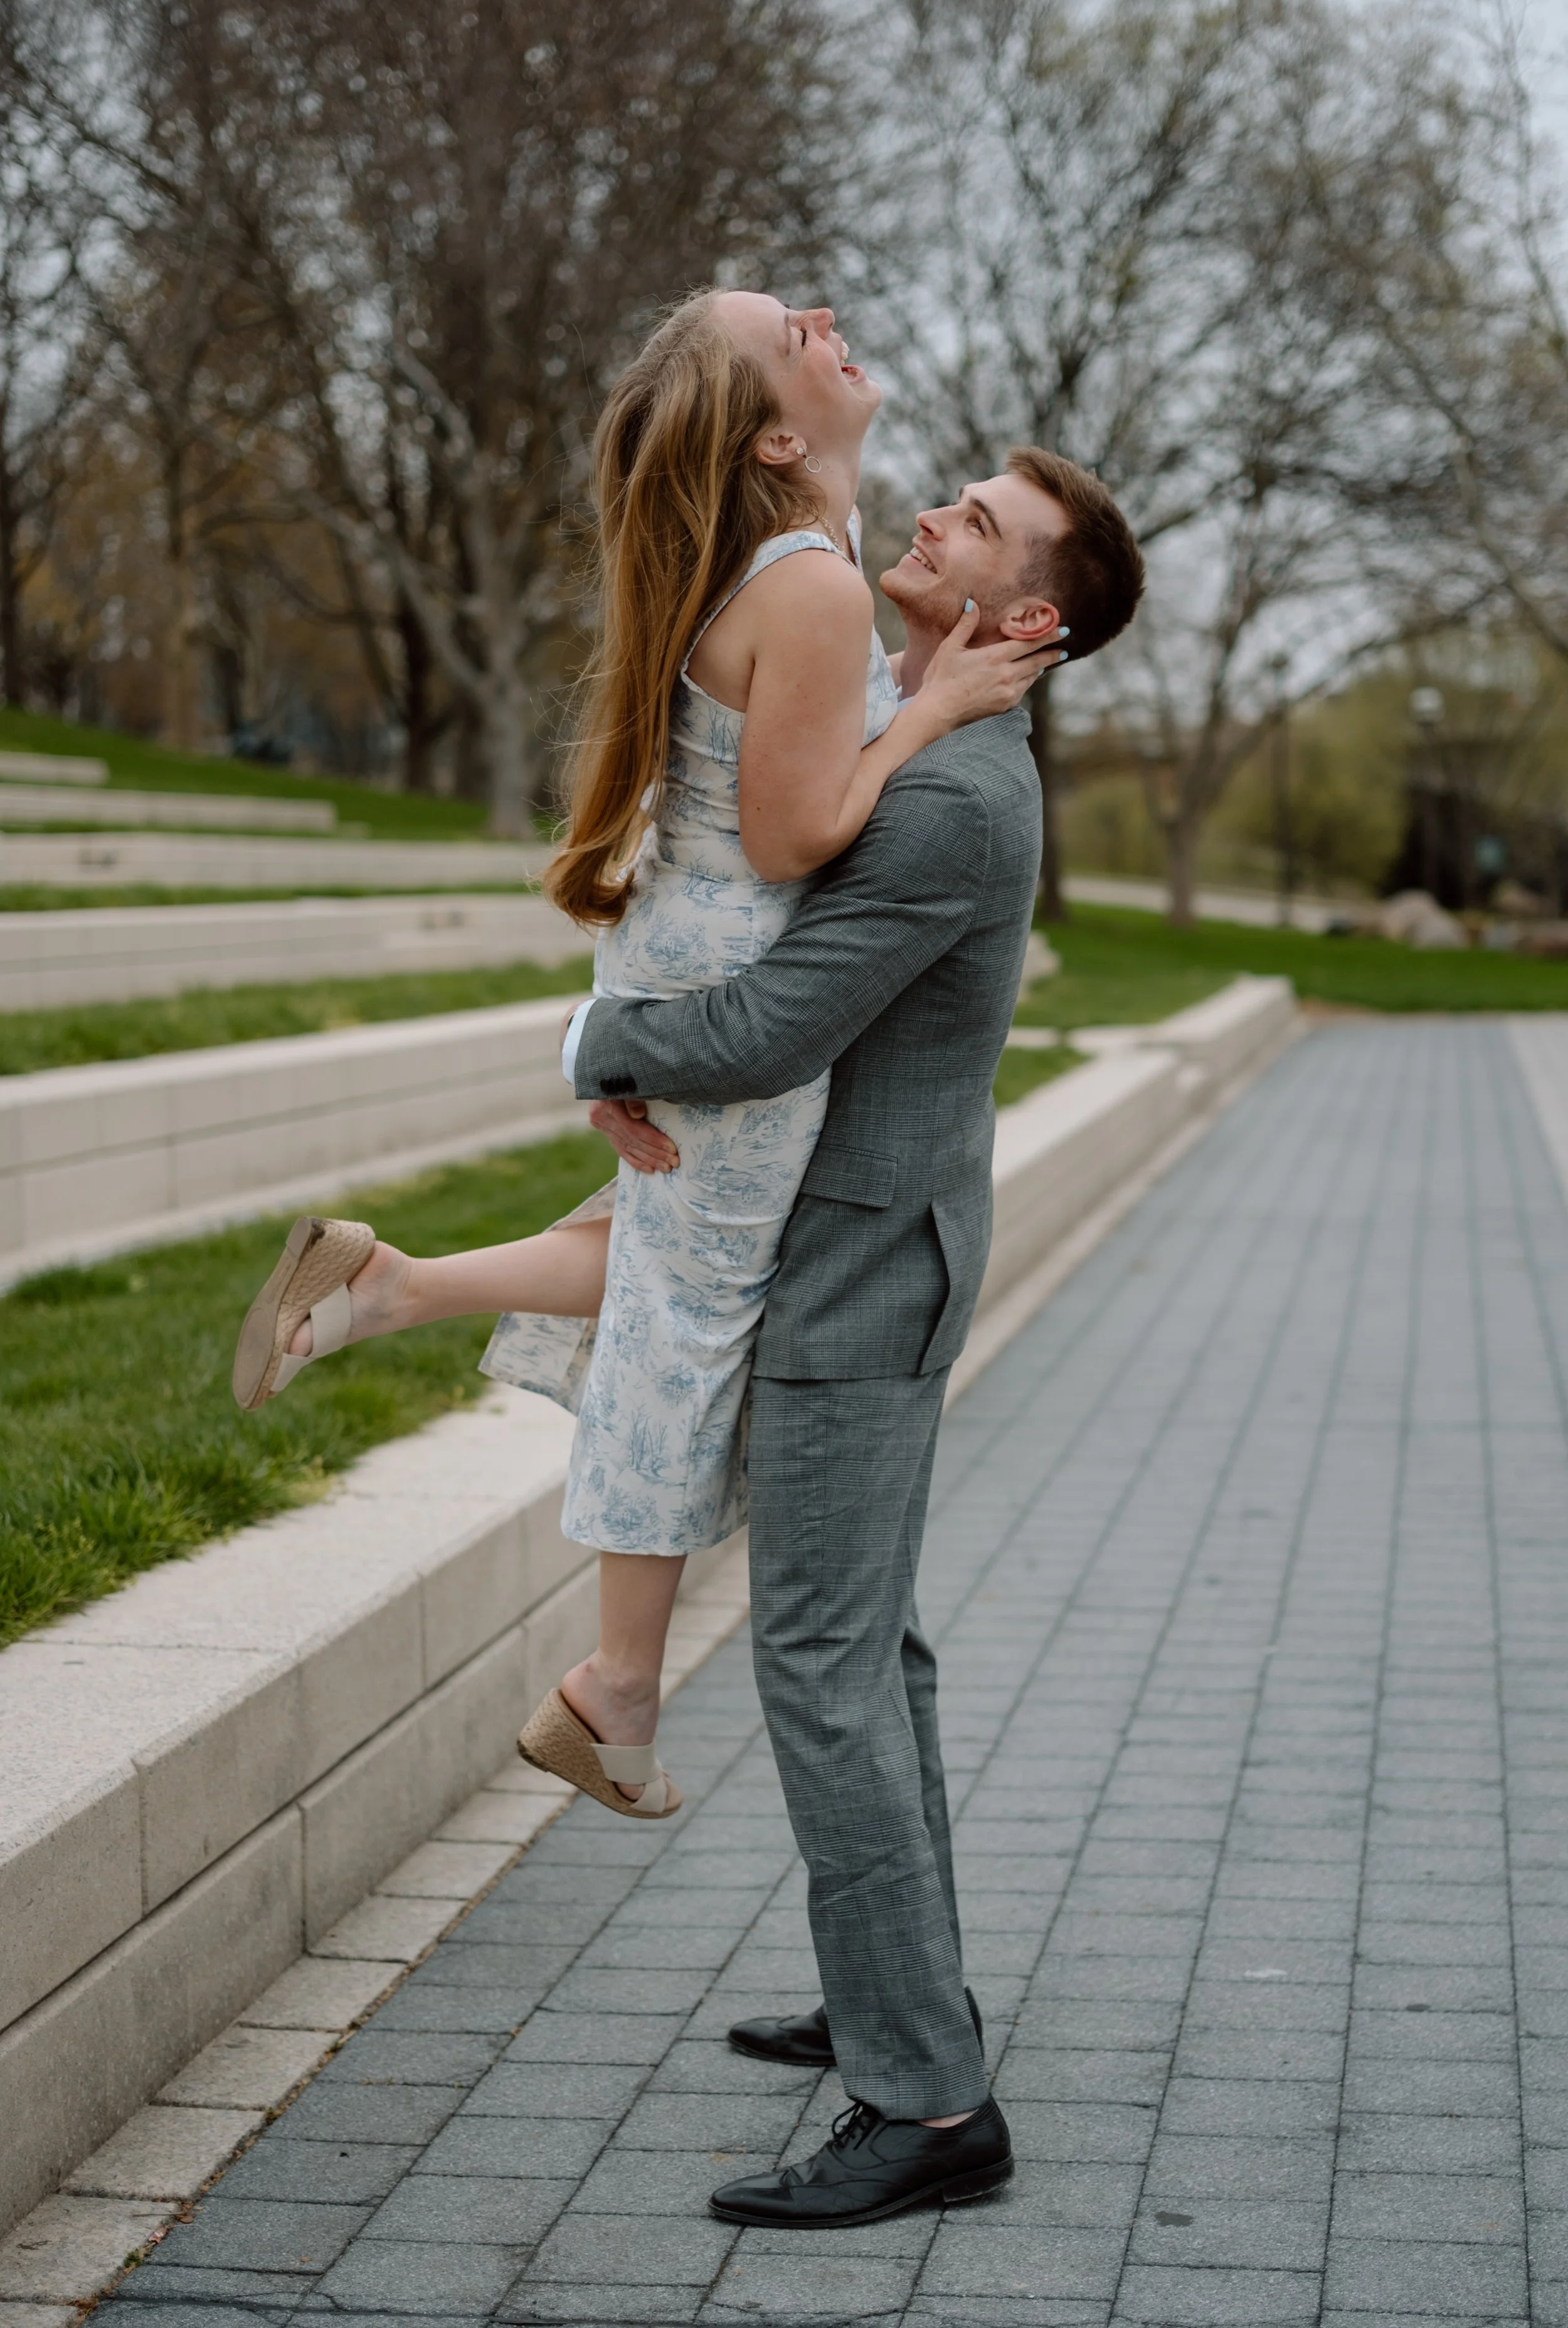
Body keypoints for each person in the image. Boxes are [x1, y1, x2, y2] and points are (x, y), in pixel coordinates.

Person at [230, 289, 1057, 1820]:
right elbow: (797, 830)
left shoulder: (785, 552)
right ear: (771, 432)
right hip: (732, 967)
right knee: (691, 1311)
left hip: (679, 943)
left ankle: (389, 1288)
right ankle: (615, 1684)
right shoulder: (809, 584)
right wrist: (931, 706)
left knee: (669, 1252)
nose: (822, 315)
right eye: (786, 330)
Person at [567, 444, 1143, 2226]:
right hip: (864, 1252)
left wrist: (598, 1042)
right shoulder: (923, 724)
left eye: (969, 523)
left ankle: (927, 2102)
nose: (925, 518)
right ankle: (896, 1996)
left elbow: (765, 1027)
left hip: (855, 1273)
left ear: (1020, 612)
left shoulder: (958, 793)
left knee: (818, 1666)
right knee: (867, 1655)